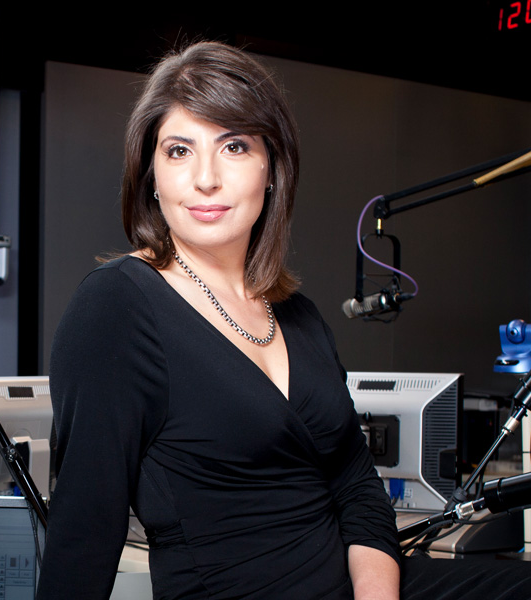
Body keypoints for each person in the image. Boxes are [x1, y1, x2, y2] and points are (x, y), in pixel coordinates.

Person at [36, 41, 400, 599]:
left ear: (272, 168)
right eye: (179, 151)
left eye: (233, 146)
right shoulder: (115, 307)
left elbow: (356, 485)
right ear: (151, 175)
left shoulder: (297, 315)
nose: (205, 178)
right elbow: (83, 532)